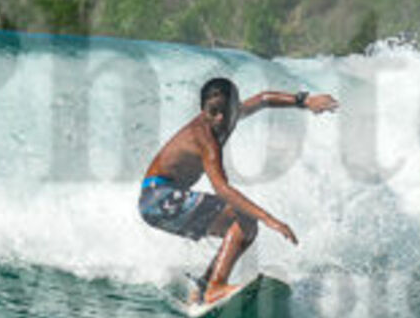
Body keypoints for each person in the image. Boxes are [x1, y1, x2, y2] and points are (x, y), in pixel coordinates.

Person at [139, 77, 339, 303]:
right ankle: (216, 287)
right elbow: (222, 188)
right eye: (212, 112)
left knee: (240, 227)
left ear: (235, 107)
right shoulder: (204, 137)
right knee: (245, 219)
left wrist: (304, 101)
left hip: (155, 203)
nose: (219, 118)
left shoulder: (231, 115)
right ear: (203, 110)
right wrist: (270, 219)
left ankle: (204, 287)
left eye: (225, 111)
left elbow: (263, 99)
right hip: (158, 197)